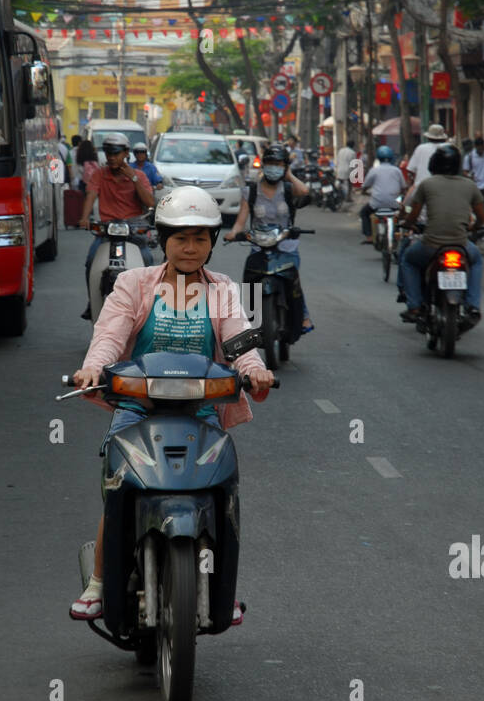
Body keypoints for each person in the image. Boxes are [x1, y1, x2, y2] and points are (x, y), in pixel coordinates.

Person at [69, 186, 274, 619]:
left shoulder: (223, 290)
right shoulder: (133, 283)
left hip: (200, 410)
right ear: (163, 241)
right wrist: (93, 369)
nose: (190, 247)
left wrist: (255, 368)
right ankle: (99, 581)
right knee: (120, 487)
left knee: (220, 489)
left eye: (200, 238)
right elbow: (109, 335)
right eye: (181, 238)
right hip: (138, 406)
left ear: (212, 244)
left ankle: (221, 586)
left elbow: (239, 341)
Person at [224, 141, 314, 332]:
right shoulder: (251, 191)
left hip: (286, 246)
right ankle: (250, 316)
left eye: (279, 164)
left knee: (293, 281)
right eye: (271, 163)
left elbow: (305, 191)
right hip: (259, 245)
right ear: (264, 165)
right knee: (250, 278)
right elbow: (241, 219)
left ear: (285, 167)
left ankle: (303, 315)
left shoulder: (289, 189)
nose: (275, 167)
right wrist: (234, 233)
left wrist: (288, 175)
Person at [399, 143, 484, 324]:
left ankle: (415, 306)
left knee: (408, 260)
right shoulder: (470, 185)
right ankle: (473, 306)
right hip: (461, 244)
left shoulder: (426, 184)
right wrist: (473, 228)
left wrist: (408, 224)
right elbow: (482, 217)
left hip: (430, 245)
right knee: (476, 260)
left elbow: (413, 215)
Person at [79, 133, 155, 318]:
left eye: (116, 153)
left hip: (134, 229)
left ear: (126, 153)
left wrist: (134, 179)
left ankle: (149, 306)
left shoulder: (139, 175)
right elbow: (91, 195)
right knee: (91, 260)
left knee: (147, 261)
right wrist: (84, 218)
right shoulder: (99, 174)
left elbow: (150, 202)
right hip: (107, 230)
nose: (112, 157)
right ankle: (93, 301)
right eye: (109, 153)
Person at [359, 145, 407, 241]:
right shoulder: (397, 171)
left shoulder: (374, 170)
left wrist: (364, 192)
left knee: (364, 212)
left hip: (376, 203)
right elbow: (403, 188)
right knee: (405, 212)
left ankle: (369, 236)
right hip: (395, 204)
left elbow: (365, 186)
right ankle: (403, 233)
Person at [404, 123, 450, 198]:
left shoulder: (421, 148)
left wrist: (409, 186)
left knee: (405, 207)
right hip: (445, 189)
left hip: (420, 188)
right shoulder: (448, 148)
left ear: (428, 137)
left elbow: (410, 171)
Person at [463, 135, 484, 224]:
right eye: (479, 148)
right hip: (475, 185)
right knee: (475, 207)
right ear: (476, 147)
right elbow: (465, 171)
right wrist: (470, 176)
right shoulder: (470, 156)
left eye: (482, 148)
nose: (480, 151)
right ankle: (477, 224)